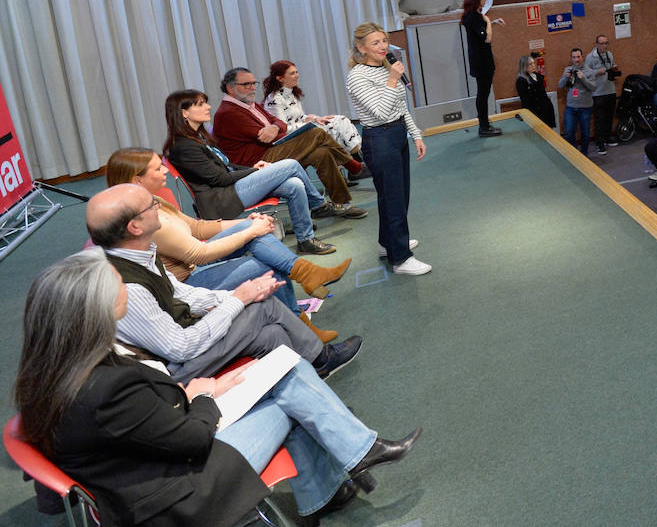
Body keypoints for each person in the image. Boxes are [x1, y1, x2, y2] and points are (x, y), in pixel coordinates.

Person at [14, 250, 420, 524]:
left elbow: (135, 423)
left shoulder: (46, 369)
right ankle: (353, 456)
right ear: (94, 308)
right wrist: (204, 397)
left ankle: (346, 466)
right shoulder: (107, 382)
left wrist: (190, 397)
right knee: (288, 385)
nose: (127, 290)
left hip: (140, 471)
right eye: (118, 285)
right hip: (178, 495)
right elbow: (190, 439)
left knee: (282, 375)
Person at [85, 185, 358, 382]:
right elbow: (181, 348)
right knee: (263, 307)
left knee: (272, 336)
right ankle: (321, 358)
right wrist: (239, 299)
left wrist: (232, 298)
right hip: (171, 371)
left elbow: (182, 293)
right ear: (134, 227)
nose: (159, 207)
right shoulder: (125, 286)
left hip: (183, 341)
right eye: (151, 206)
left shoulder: (137, 253)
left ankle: (313, 380)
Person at [104, 147, 348, 330]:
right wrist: (249, 231)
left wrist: (247, 223)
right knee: (266, 265)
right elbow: (199, 254)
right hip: (188, 282)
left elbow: (198, 228)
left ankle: (304, 286)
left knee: (256, 232)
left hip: (194, 262)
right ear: (137, 180)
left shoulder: (153, 199)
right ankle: (301, 315)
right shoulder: (143, 217)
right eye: (158, 168)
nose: (165, 170)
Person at [163, 89, 336, 256]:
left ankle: (306, 240)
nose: (208, 107)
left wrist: (255, 168)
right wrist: (254, 171)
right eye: (200, 104)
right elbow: (220, 178)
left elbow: (227, 166)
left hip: (232, 188)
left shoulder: (200, 137)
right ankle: (319, 205)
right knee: (290, 164)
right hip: (222, 199)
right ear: (184, 113)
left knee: (294, 184)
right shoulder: (183, 146)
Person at [212, 67, 365, 219]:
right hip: (256, 163)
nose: (252, 88)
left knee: (322, 153)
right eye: (246, 84)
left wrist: (275, 127)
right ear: (230, 88)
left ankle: (339, 203)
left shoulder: (250, 104)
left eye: (254, 83)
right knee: (316, 132)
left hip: (270, 151)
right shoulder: (228, 112)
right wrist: (276, 128)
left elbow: (278, 123)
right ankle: (353, 166)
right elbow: (265, 137)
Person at [346, 22, 431, 275]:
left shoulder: (385, 69)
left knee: (396, 196)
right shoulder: (358, 76)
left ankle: (388, 243)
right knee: (393, 199)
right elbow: (381, 111)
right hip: (379, 139)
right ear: (361, 48)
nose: (383, 46)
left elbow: (401, 106)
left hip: (396, 135)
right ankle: (401, 259)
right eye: (375, 43)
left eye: (384, 41)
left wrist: (415, 135)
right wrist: (393, 78)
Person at [262, 60, 365, 180]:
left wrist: (316, 119)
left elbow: (300, 117)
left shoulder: (292, 94)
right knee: (336, 126)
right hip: (292, 139)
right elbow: (282, 129)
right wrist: (307, 125)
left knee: (340, 120)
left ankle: (355, 162)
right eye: (292, 73)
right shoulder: (274, 100)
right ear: (280, 78)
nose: (297, 75)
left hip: (303, 131)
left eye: (297, 72)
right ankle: (356, 166)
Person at [461, 0, 504, 137]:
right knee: (483, 94)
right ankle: (484, 127)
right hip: (481, 63)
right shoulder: (474, 17)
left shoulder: (473, 16)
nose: (485, 0)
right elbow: (487, 38)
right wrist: (488, 21)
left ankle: (485, 124)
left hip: (481, 61)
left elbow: (481, 32)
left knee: (483, 94)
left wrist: (493, 23)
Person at [557, 47, 597, 155]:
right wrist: (566, 78)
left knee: (585, 133)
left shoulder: (589, 71)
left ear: (582, 57)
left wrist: (583, 78)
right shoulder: (568, 70)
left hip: (585, 107)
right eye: (574, 57)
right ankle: (575, 154)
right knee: (569, 132)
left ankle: (584, 154)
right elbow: (560, 85)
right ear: (571, 59)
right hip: (571, 107)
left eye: (578, 57)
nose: (576, 59)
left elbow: (593, 88)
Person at [584, 34, 619, 155]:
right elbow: (586, 73)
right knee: (599, 118)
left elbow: (611, 66)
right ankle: (600, 143)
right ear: (597, 44)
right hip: (598, 92)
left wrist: (614, 69)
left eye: (606, 43)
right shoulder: (590, 57)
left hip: (610, 90)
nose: (605, 46)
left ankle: (608, 137)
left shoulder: (609, 55)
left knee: (609, 116)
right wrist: (597, 72)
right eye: (602, 43)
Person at [515, 54, 557, 128]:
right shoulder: (521, 80)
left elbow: (543, 94)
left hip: (545, 109)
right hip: (535, 112)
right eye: (530, 64)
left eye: (533, 63)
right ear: (524, 66)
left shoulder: (537, 75)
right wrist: (534, 116)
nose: (533, 65)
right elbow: (525, 101)